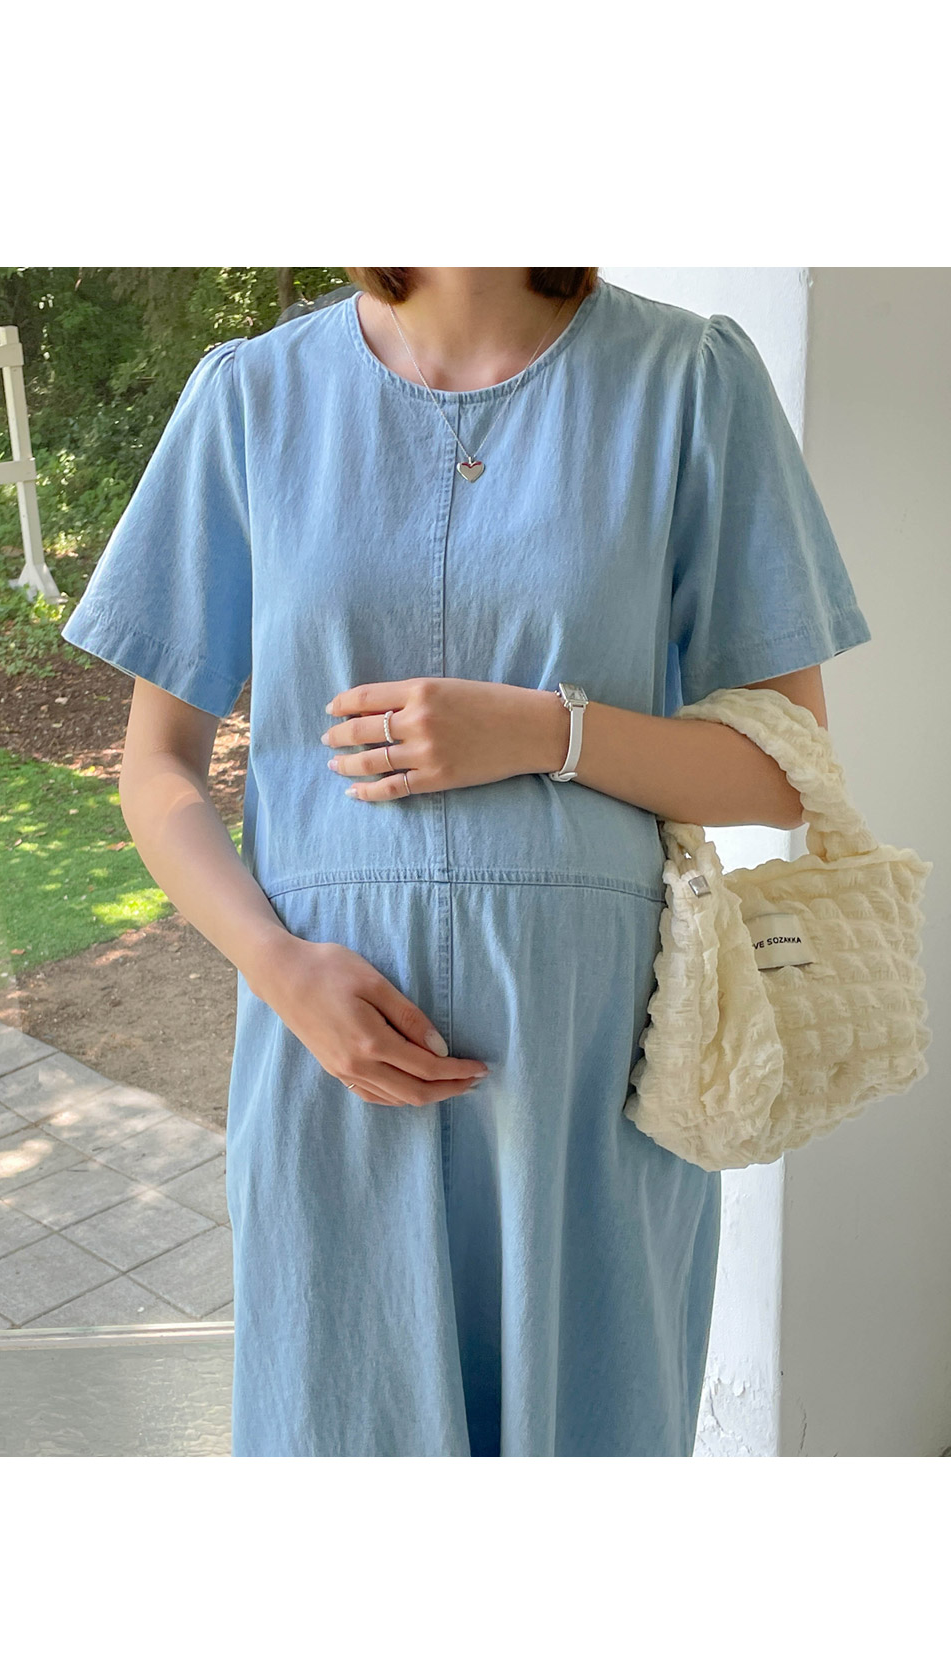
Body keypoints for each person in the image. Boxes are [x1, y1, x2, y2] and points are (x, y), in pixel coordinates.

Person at [60, 267, 872, 1456]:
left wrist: (547, 731)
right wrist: (278, 968)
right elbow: (158, 766)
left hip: (599, 1073)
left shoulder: (688, 383)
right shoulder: (251, 398)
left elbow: (782, 771)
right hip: (334, 1064)